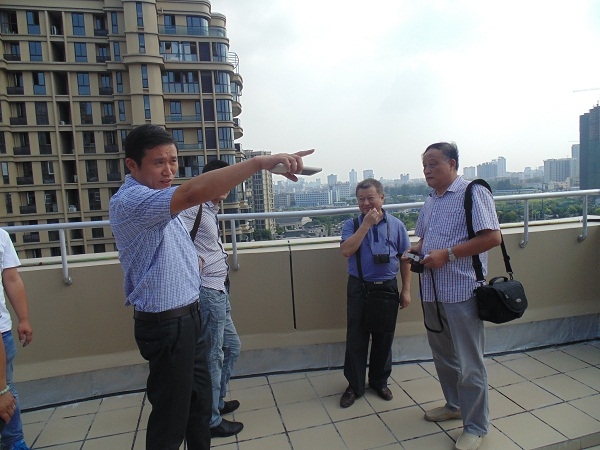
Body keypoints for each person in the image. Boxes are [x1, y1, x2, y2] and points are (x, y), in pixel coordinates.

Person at [109, 123, 312, 450]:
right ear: (132, 165)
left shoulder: (161, 198)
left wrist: (193, 262)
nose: (169, 170)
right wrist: (259, 163)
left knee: (200, 406)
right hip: (166, 325)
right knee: (171, 418)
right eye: (158, 162)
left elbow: (174, 241)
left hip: (189, 315)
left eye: (173, 161)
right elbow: (193, 193)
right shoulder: (133, 201)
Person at [407, 142, 501, 450]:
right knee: (443, 355)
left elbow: (493, 237)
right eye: (424, 165)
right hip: (432, 290)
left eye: (433, 163)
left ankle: (476, 426)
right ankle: (455, 405)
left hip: (462, 291)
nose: (427, 170)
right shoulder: (431, 200)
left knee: (469, 362)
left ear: (452, 163)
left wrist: (447, 254)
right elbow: (425, 241)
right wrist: (413, 251)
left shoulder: (473, 192)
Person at [180, 160, 243, 438]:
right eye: (222, 180)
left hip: (219, 289)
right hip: (207, 292)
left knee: (232, 347)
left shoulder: (209, 208)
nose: (226, 186)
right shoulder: (192, 208)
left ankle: (215, 401)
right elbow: (173, 237)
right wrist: (192, 259)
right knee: (213, 356)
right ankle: (210, 420)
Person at [339, 178, 412, 408]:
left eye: (370, 198)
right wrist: (365, 226)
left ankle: (380, 381)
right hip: (359, 287)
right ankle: (355, 385)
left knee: (384, 337)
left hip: (387, 287)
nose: (365, 203)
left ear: (382, 198)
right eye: (361, 199)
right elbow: (346, 250)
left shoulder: (397, 225)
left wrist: (406, 290)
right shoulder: (351, 225)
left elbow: (405, 258)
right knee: (356, 338)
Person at [0, 228, 33, 450]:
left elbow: (11, 279)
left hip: (2, 332)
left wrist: (24, 319)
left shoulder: (1, 236)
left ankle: (13, 441)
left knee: (6, 387)